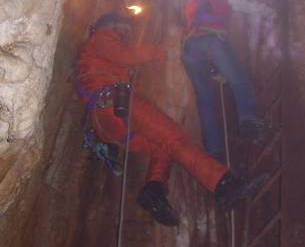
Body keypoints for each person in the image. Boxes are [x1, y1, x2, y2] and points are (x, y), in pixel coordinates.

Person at [75, 11, 255, 227]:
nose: (126, 34)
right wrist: (163, 49)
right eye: (123, 29)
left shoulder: (92, 57)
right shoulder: (101, 38)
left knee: (162, 149)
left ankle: (154, 190)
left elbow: (117, 66)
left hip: (106, 125)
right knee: (174, 137)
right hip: (115, 104)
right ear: (111, 26)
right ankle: (224, 184)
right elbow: (126, 56)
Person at [181, 0, 268, 160]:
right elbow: (248, 7)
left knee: (204, 99)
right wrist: (269, 13)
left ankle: (214, 149)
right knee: (239, 81)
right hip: (213, 42)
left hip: (190, 49)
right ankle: (247, 120)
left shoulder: (192, 0)